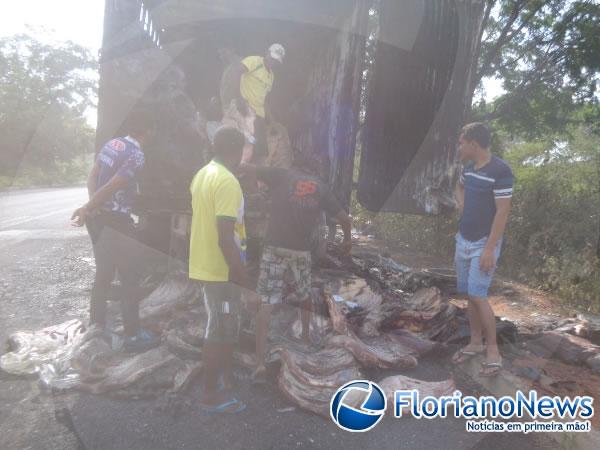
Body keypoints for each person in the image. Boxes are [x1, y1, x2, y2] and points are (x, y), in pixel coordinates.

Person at [240, 155, 352, 383]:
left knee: (267, 301)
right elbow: (344, 219)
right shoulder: (321, 187)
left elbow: (246, 167)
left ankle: (260, 362)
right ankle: (305, 339)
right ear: (314, 170)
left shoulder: (281, 174)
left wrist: (251, 191)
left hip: (273, 247)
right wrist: (347, 241)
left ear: (295, 167)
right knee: (304, 294)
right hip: (300, 251)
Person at [71, 111, 160, 353]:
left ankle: (96, 328)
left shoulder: (113, 143)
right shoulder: (137, 155)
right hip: (116, 222)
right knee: (130, 277)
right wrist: (89, 207)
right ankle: (133, 335)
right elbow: (113, 185)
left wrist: (93, 206)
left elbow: (93, 175)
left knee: (104, 274)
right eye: (153, 130)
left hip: (99, 219)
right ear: (148, 131)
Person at [189, 126, 250, 413]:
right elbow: (225, 237)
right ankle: (210, 395)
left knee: (222, 324)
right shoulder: (227, 181)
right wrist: (243, 279)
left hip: (206, 264)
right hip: (222, 270)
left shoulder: (203, 173)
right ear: (235, 151)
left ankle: (224, 378)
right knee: (219, 329)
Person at [452, 122, 514, 377]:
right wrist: (460, 200)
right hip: (463, 240)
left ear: (473, 144)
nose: (459, 147)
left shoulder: (501, 171)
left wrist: (489, 249)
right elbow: (461, 189)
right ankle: (475, 342)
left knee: (478, 295)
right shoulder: (468, 168)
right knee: (468, 294)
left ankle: (493, 351)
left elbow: (503, 211)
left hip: (483, 243)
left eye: (461, 143)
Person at [220, 43, 286, 163]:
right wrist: (238, 98)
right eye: (272, 58)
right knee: (244, 148)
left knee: (260, 150)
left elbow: (265, 100)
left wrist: (271, 121)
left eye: (276, 61)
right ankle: (238, 174)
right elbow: (237, 73)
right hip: (245, 112)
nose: (273, 62)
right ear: (267, 53)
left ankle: (255, 178)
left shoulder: (271, 76)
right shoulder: (254, 61)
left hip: (258, 117)